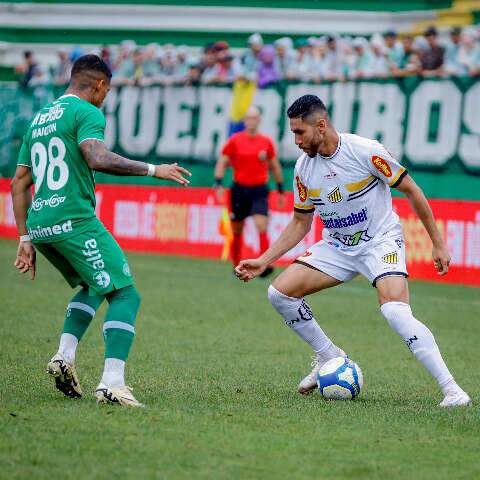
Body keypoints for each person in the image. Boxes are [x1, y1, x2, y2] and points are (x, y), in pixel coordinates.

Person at [235, 95, 471, 408]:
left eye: (299, 132)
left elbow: (412, 190)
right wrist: (263, 260)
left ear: (321, 126)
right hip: (337, 246)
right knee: (280, 294)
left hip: (380, 241)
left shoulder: (366, 151)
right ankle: (328, 355)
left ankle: (452, 390)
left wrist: (438, 242)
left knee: (395, 311)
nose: (296, 140)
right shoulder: (304, 169)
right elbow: (300, 223)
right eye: (293, 133)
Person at [11, 54, 191, 407]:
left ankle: (64, 356)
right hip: (74, 219)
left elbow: (19, 182)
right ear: (98, 85)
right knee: (125, 294)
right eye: (106, 90)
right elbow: (97, 157)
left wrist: (24, 238)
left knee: (94, 285)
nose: (105, 96)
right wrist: (155, 170)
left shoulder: (39, 120)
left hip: (40, 222)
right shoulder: (87, 113)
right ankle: (112, 382)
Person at [214, 106, 284, 277]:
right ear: (245, 121)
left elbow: (274, 166)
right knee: (237, 229)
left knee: (261, 225)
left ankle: (264, 265)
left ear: (259, 120)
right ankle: (236, 265)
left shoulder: (266, 142)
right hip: (239, 190)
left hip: (259, 190)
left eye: (255, 118)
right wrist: (218, 183)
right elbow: (222, 162)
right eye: (249, 118)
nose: (251, 121)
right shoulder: (235, 140)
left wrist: (280, 189)